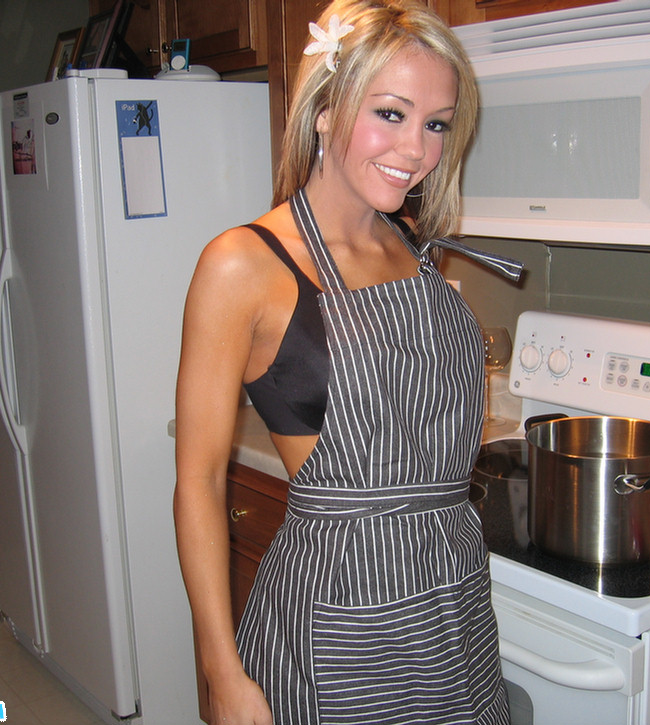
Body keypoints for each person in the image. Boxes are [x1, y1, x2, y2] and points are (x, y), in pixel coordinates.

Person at [174, 1, 522, 722]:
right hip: (340, 615)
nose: (416, 150)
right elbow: (198, 481)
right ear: (325, 110)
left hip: (454, 606)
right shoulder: (244, 264)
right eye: (390, 114)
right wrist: (220, 671)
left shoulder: (414, 245)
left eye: (436, 124)